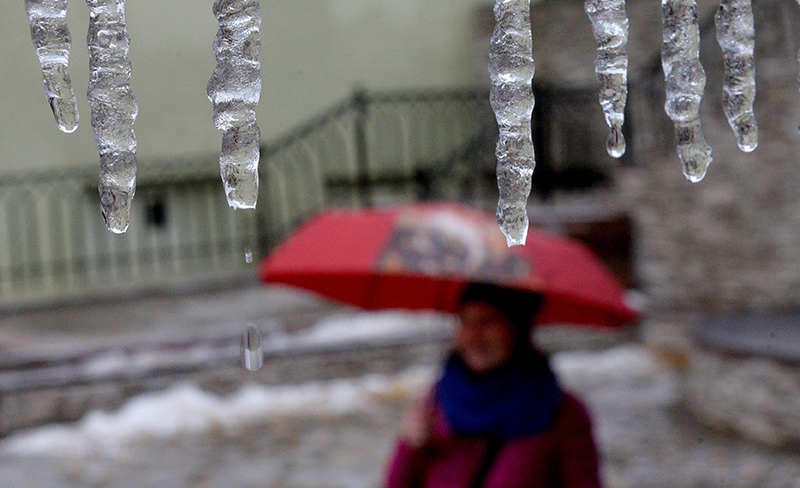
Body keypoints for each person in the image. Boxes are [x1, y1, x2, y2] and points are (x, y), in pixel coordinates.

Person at [385, 282, 602, 488]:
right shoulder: (439, 400)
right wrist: (411, 446)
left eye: (487, 322)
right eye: (465, 322)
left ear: (517, 328)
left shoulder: (562, 413)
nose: (473, 336)